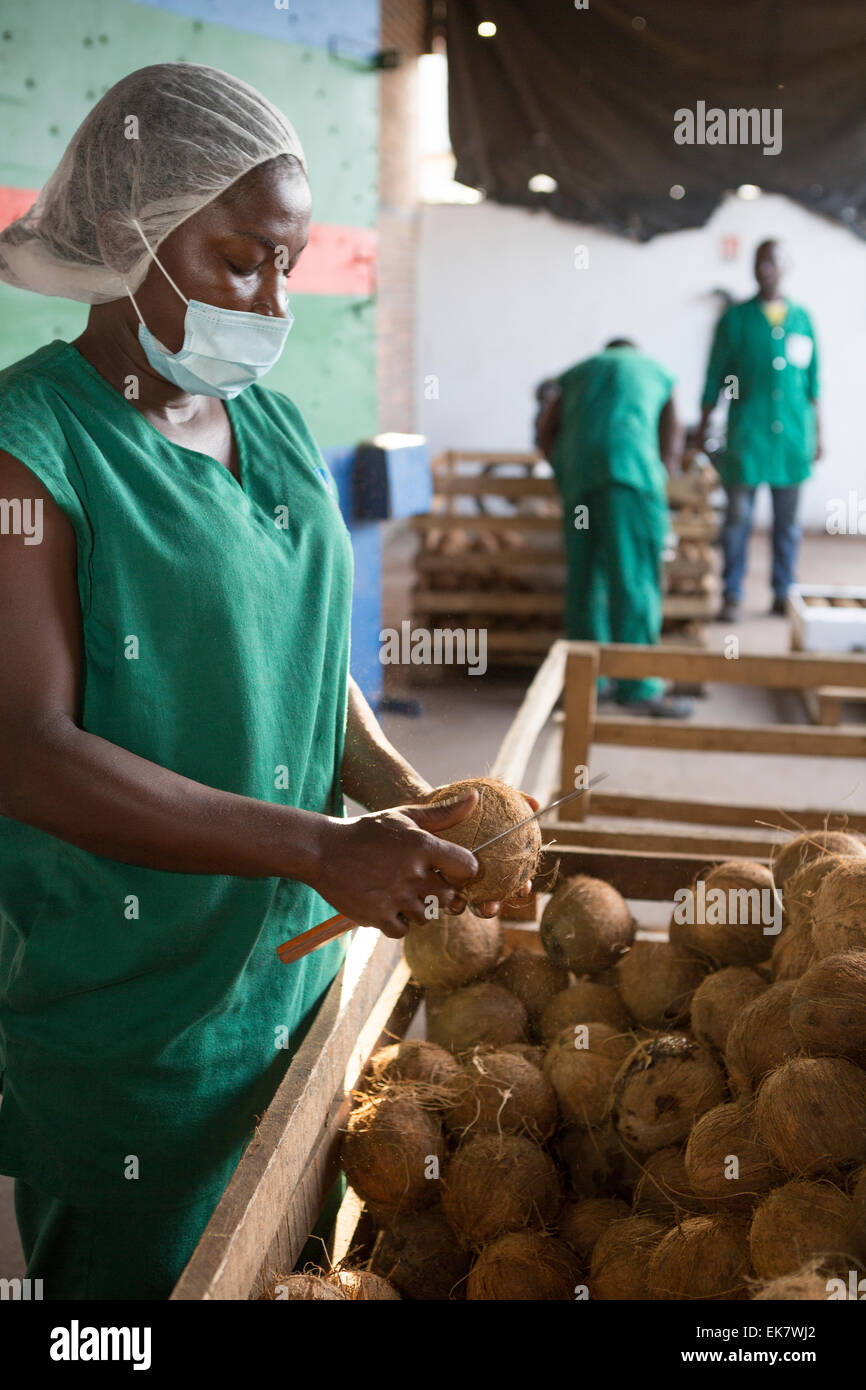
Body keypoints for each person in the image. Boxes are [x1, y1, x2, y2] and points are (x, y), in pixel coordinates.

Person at [0, 63, 537, 1299]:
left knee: (284, 1260)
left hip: (287, 981)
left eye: (288, 262)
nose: (275, 299)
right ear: (131, 237)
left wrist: (396, 785)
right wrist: (313, 844)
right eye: (243, 259)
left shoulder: (273, 426)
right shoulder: (35, 452)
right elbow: (27, 751)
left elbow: (297, 650)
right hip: (136, 1016)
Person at [535, 339, 690, 717]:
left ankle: (590, 684)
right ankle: (638, 686)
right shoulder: (653, 370)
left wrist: (566, 469)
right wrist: (660, 474)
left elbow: (545, 431)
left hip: (580, 478)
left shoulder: (580, 370)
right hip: (628, 477)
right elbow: (673, 434)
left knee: (585, 581)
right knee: (634, 579)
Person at [697, 240, 821, 621]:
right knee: (737, 521)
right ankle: (731, 594)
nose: (764, 269)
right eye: (759, 262)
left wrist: (819, 435)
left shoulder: (802, 319)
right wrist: (704, 428)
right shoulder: (734, 320)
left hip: (792, 438)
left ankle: (783, 591)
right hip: (747, 437)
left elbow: (813, 385)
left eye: (772, 262)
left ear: (786, 267)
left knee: (787, 524)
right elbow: (714, 377)